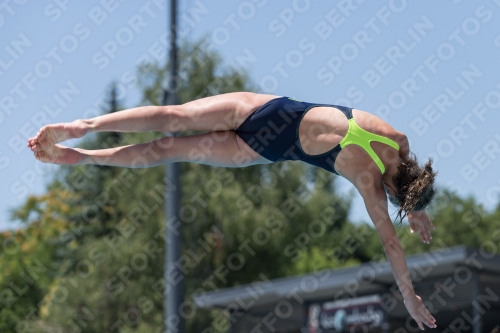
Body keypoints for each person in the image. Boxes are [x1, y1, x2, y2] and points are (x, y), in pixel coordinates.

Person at [27, 92, 437, 330]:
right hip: (257, 150)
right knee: (168, 150)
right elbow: (391, 245)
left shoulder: (397, 139)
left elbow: (404, 169)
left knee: (175, 117)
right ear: (396, 195)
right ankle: (81, 157)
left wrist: (415, 206)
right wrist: (410, 296)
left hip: (265, 110)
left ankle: (85, 126)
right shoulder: (368, 181)